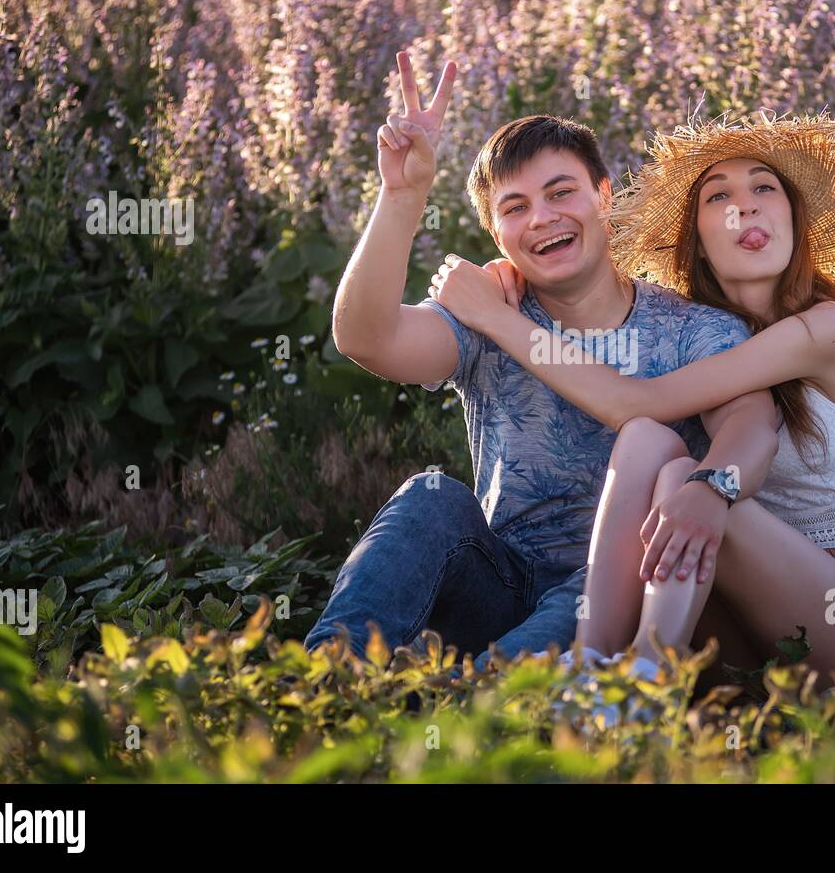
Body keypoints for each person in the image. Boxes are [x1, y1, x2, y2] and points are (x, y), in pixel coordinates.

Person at [430, 111, 835, 708]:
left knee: (688, 474)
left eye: (765, 188)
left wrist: (497, 318)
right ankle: (598, 674)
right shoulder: (709, 336)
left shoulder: (828, 327)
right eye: (719, 197)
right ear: (699, 239)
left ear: (794, 218)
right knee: (651, 445)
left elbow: (632, 401)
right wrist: (517, 280)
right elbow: (649, 420)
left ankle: (645, 686)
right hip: (736, 609)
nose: (746, 208)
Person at [303, 53, 779, 673]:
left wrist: (713, 487)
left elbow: (751, 424)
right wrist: (402, 193)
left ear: (604, 198)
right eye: (515, 207)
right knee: (430, 496)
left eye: (561, 193)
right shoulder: (486, 311)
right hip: (499, 580)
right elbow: (365, 337)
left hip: (614, 589)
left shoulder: (691, 327)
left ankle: (472, 706)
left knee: (551, 636)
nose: (543, 219)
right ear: (496, 232)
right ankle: (327, 681)